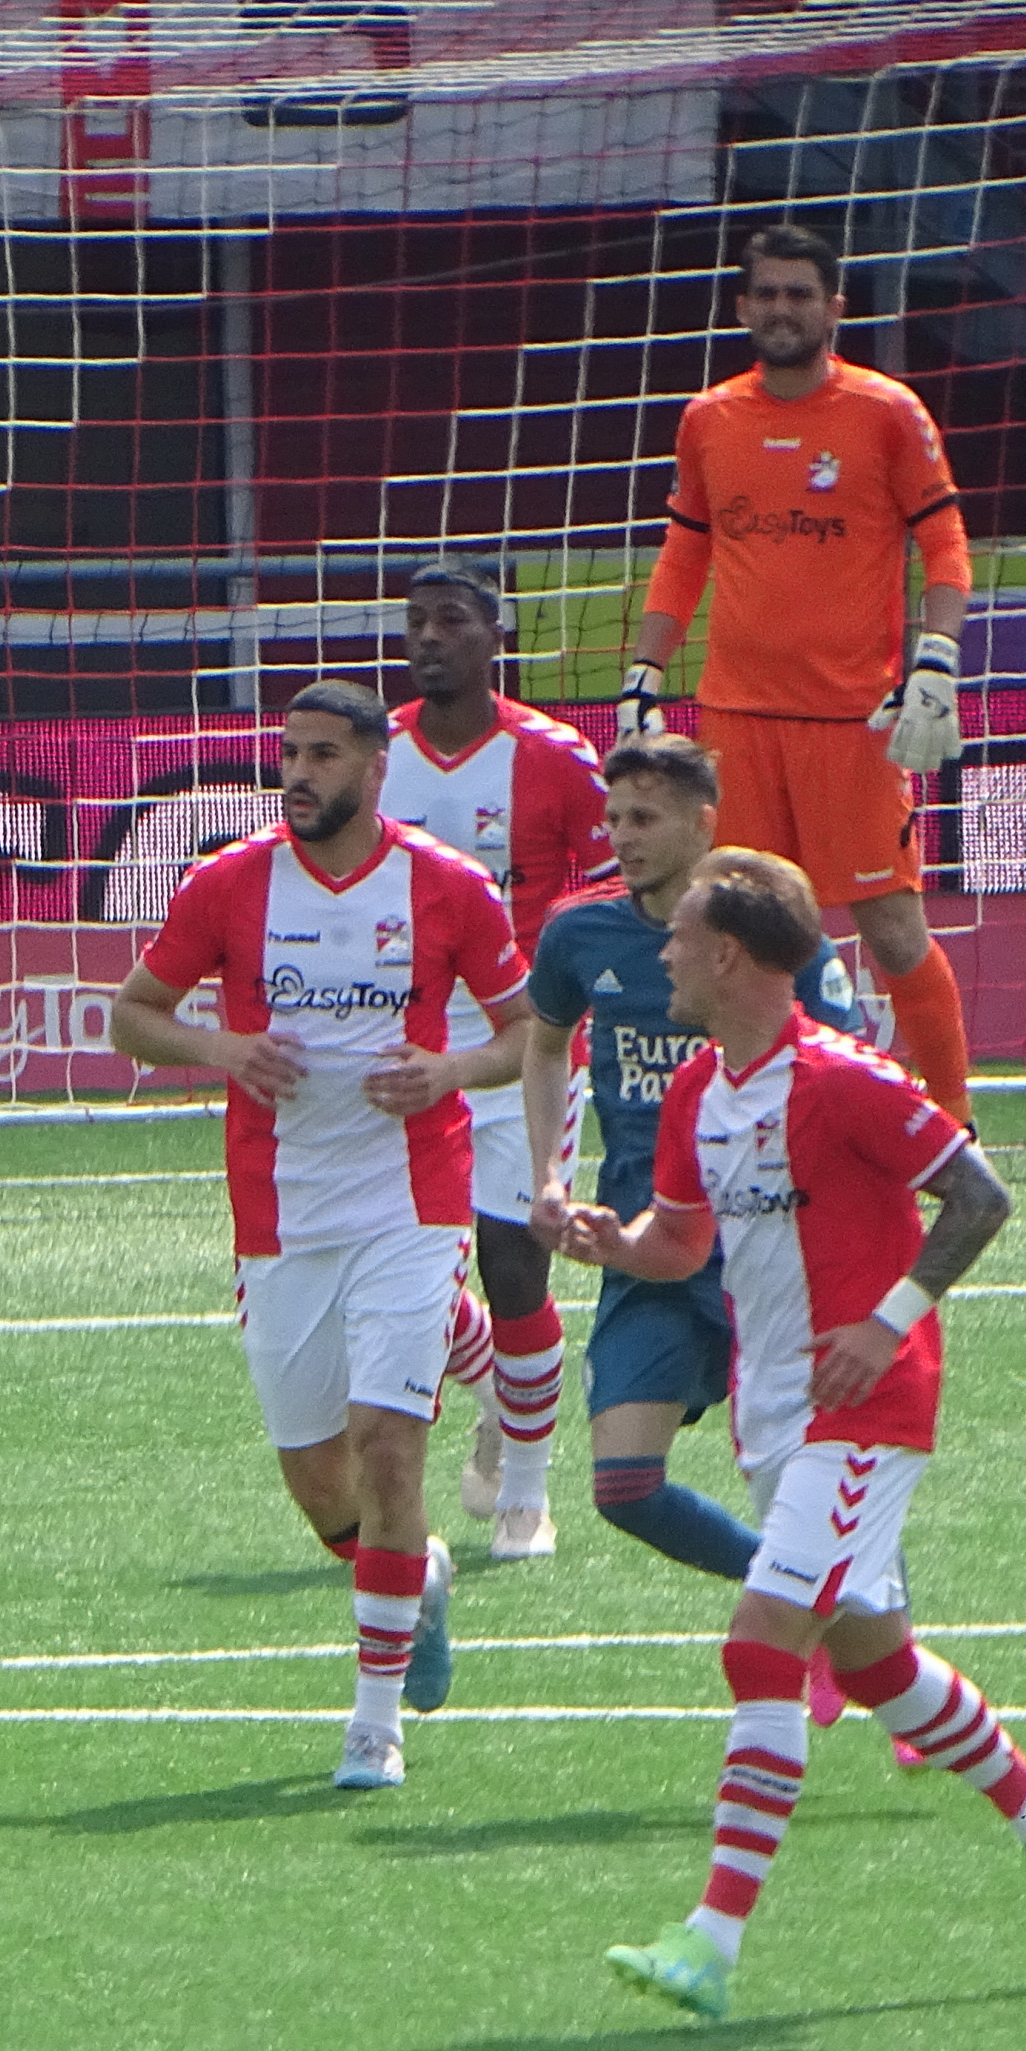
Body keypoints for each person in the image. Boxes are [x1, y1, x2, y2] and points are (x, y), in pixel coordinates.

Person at [551, 851, 1026, 2020]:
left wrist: (890, 1318)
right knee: (871, 1664)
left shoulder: (844, 1078)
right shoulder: (701, 1093)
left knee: (762, 1645)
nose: (662, 953)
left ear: (732, 957)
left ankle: (710, 1943)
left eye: (682, 937)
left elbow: (981, 1198)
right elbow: (682, 1246)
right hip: (775, 1413)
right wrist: (608, 1242)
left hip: (865, 1405)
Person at [107, 680, 532, 1794]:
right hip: (281, 1210)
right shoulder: (230, 883)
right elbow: (132, 1014)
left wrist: (448, 1070)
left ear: (374, 769)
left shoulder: (447, 888)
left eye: (323, 756)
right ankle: (418, 1567)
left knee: (390, 1446)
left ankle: (373, 1725)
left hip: (412, 1197)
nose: (298, 774)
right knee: (319, 1482)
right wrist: (220, 1049)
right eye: (290, 754)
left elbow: (530, 1035)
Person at [523, 741, 859, 1725]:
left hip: (772, 1250)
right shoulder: (580, 936)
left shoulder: (769, 934)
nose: (623, 837)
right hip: (650, 1244)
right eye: (615, 818)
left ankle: (867, 1642)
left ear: (704, 823)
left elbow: (844, 1074)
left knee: (815, 1469)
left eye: (646, 818)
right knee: (624, 1485)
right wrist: (547, 1171)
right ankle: (813, 1600)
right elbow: (545, 1045)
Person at [620, 222, 980, 1129]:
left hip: (850, 725)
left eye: (800, 294)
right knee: (737, 932)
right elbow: (683, 552)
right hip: (736, 723)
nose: (783, 309)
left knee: (894, 931)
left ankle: (950, 1123)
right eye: (767, 294)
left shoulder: (887, 412)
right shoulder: (709, 418)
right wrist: (643, 673)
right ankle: (753, 1112)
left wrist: (935, 660)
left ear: (834, 309)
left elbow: (943, 541)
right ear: (742, 307)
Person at [381, 559, 617, 1558]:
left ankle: (525, 1493)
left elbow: (612, 889)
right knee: (402, 1271)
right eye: (415, 623)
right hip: (394, 1051)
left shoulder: (555, 757)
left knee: (515, 1263)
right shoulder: (372, 750)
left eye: (450, 621)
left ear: (494, 633)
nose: (429, 637)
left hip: (520, 1044)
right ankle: (495, 1394)